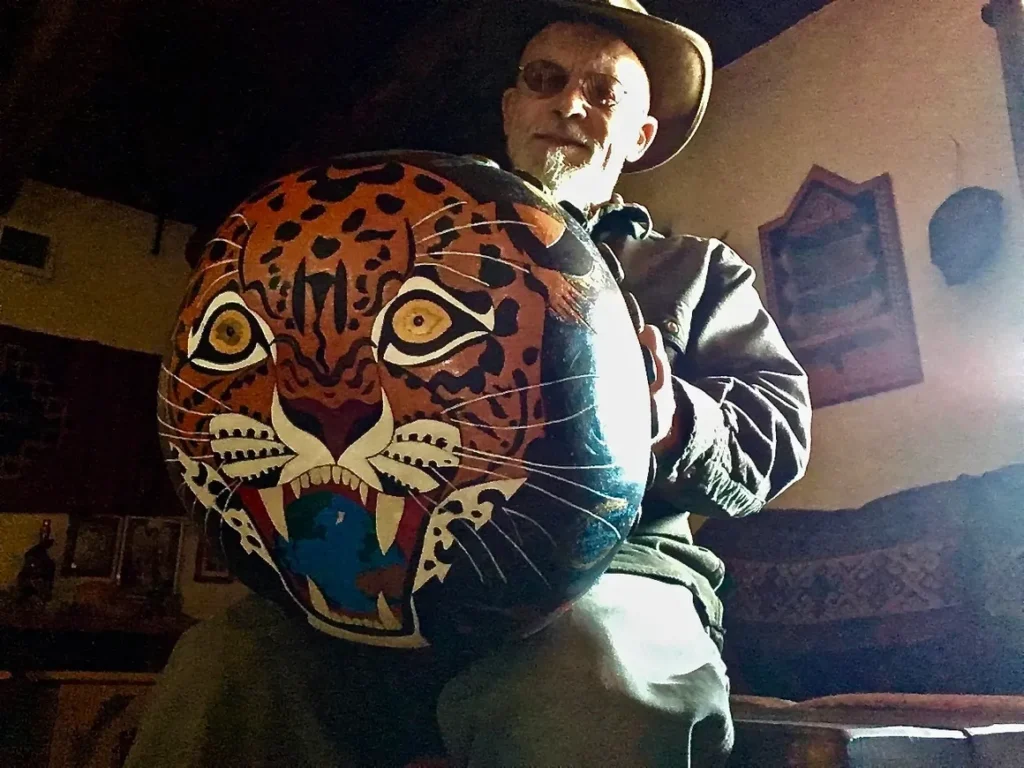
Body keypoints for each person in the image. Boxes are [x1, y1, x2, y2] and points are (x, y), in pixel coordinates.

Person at [125, 1, 811, 766]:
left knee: (591, 682)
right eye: (544, 80)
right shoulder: (404, 242)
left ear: (641, 136)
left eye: (605, 91)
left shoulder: (695, 272)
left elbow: (777, 437)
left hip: (614, 578)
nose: (569, 103)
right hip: (379, 582)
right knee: (228, 666)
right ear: (512, 108)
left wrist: (673, 419)